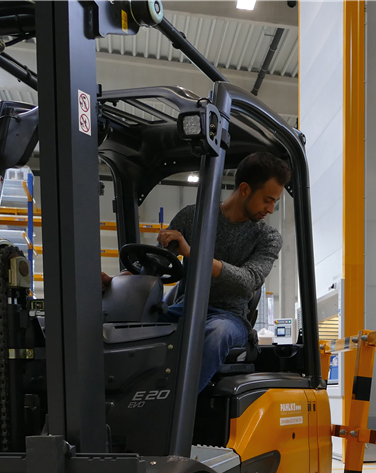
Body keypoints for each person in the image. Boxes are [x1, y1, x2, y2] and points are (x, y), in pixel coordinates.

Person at [105, 151, 290, 390]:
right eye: (267, 200)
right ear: (245, 189)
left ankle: (175, 405)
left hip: (229, 317)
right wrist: (114, 281)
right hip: (185, 309)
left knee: (216, 333)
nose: (271, 209)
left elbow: (248, 281)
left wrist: (192, 252)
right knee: (130, 323)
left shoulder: (267, 237)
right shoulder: (192, 216)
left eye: (274, 201)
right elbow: (153, 264)